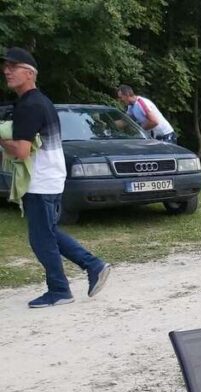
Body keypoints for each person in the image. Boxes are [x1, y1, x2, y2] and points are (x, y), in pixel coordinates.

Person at [0, 48, 111, 308]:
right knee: (47, 232)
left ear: (30, 73)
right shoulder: (41, 101)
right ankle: (93, 266)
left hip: (40, 181)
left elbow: (21, 151)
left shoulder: (29, 106)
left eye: (13, 67)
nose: (7, 71)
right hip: (51, 177)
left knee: (41, 238)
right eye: (6, 67)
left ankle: (60, 289)